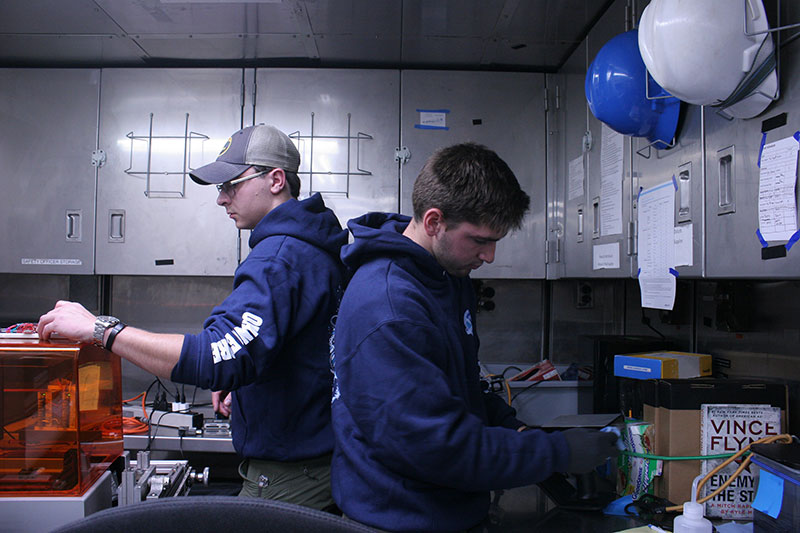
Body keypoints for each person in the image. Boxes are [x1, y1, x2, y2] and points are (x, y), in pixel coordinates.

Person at [38, 124, 348, 512]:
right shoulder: (314, 247)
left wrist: (101, 329)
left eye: (231, 185)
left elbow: (211, 356)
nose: (221, 199)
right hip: (318, 460)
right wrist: (246, 380)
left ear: (275, 180)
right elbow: (302, 350)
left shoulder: (279, 258)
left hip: (291, 474)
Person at [329, 142, 619, 532]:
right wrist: (557, 452)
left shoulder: (446, 277)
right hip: (399, 520)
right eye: (480, 240)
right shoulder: (390, 308)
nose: (490, 256)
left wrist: (511, 426)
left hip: (449, 511)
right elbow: (438, 449)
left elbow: (459, 385)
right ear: (434, 222)